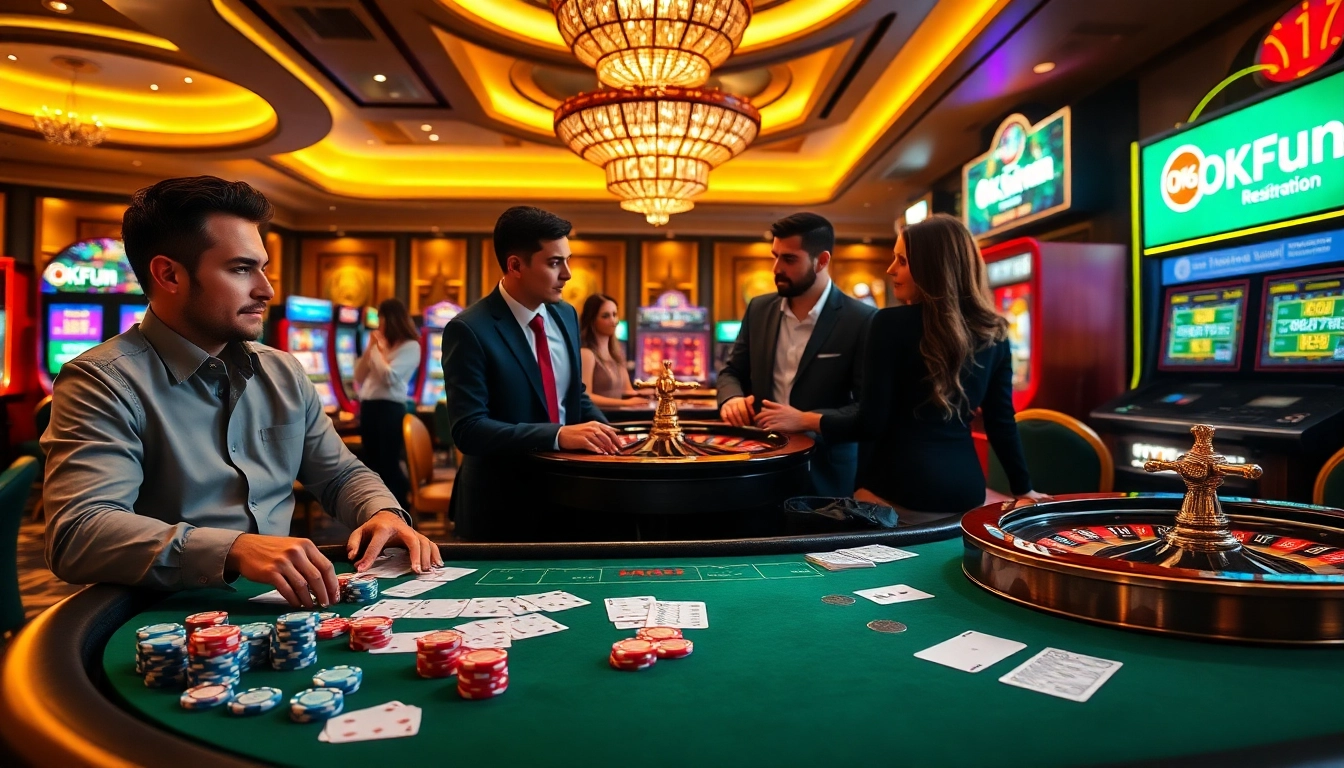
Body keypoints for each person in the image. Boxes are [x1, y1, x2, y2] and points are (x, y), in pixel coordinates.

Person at [41, 176, 440, 609]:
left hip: (283, 605)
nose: (266, 289)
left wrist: (381, 511)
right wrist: (235, 548)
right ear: (169, 274)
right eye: (240, 268)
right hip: (161, 617)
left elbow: (341, 475)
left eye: (262, 267)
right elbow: (79, 532)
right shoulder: (101, 381)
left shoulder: (283, 371)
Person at [817, 214, 1049, 520]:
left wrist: (808, 420)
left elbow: (870, 423)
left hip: (896, 491)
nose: (891, 270)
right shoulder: (995, 332)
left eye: (902, 260)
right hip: (965, 492)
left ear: (932, 267)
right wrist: (1023, 488)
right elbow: (1001, 421)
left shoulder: (888, 324)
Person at [441, 206, 618, 541]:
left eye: (568, 260)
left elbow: (573, 393)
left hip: (572, 495)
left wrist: (611, 437)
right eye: (555, 263)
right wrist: (557, 435)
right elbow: (468, 430)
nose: (567, 274)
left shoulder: (566, 314)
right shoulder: (468, 329)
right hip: (501, 505)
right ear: (515, 265)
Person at [717, 212, 877, 497]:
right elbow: (732, 371)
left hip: (825, 472)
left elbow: (867, 411)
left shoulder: (862, 319)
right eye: (774, 256)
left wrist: (804, 418)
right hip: (760, 462)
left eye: (789, 259)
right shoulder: (758, 309)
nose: (776, 268)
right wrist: (731, 398)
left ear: (822, 260)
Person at [354, 298, 422, 507]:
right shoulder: (380, 345)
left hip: (390, 409)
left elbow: (390, 378)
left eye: (380, 318)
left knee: (388, 464)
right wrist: (370, 348)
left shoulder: (411, 346)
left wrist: (376, 351)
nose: (378, 324)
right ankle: (376, 508)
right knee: (372, 464)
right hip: (370, 407)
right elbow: (358, 375)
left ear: (390, 319)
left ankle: (399, 508)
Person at [578, 293, 645, 410]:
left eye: (614, 314)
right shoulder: (586, 353)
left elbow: (627, 390)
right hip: (597, 421)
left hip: (617, 418)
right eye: (605, 316)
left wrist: (651, 394)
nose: (613, 320)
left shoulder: (617, 353)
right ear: (592, 320)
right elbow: (585, 396)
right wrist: (625, 403)